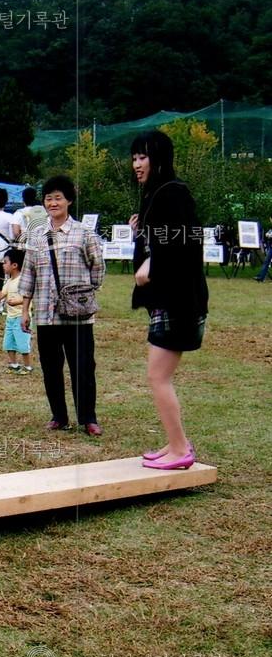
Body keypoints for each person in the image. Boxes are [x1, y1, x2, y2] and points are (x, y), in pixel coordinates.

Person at [130, 130, 208, 469]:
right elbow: (164, 238)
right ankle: (176, 443)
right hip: (171, 301)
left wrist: (153, 263)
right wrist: (140, 233)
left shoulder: (173, 193)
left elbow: (188, 242)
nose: (137, 164)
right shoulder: (156, 194)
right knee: (158, 376)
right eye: (134, 158)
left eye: (143, 157)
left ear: (159, 158)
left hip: (180, 303)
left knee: (157, 376)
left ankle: (180, 450)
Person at [20, 175, 105, 436]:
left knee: (83, 367)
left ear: (69, 200)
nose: (53, 203)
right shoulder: (36, 235)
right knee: (51, 367)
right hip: (46, 314)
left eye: (58, 197)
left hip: (78, 315)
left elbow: (98, 269)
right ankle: (59, 416)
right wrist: (25, 309)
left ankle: (88, 418)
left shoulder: (84, 233)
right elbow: (28, 273)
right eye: (48, 198)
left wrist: (82, 296)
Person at [0, 248, 33, 374]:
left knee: (23, 343)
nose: (3, 265)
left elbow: (30, 297)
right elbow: (0, 296)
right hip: (10, 318)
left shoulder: (23, 280)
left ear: (14, 265)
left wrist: (17, 302)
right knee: (9, 343)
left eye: (5, 262)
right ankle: (13, 364)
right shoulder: (8, 281)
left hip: (21, 317)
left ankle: (28, 366)